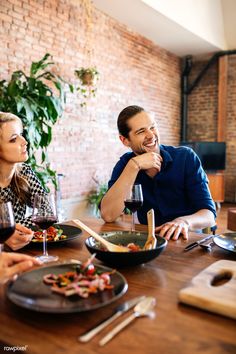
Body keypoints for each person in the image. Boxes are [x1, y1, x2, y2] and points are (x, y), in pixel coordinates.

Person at [100, 105, 216, 240]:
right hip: (149, 242)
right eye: (141, 131)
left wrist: (183, 222)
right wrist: (134, 165)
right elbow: (108, 215)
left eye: (152, 127)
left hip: (187, 240)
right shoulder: (126, 165)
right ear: (125, 140)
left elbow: (209, 214)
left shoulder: (186, 157)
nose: (151, 135)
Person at [0, 112, 47, 249]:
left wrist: (10, 228)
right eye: (14, 139)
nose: (25, 141)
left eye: (21, 134)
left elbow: (47, 211)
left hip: (25, 252)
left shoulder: (25, 172)